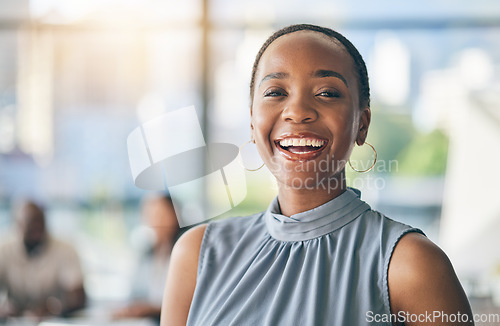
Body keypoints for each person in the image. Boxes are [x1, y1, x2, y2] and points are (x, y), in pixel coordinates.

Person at [161, 24, 474, 325]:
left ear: (361, 124)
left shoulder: (411, 265)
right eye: (275, 92)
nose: (297, 111)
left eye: (326, 92)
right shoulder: (198, 254)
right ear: (253, 124)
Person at [0, 200, 86, 320]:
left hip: (54, 320)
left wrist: (55, 307)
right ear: (18, 225)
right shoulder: (4, 250)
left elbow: (78, 296)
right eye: (31, 225)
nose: (37, 229)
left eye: (40, 223)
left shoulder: (65, 249)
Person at [113, 194, 180, 323]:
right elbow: (134, 293)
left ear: (175, 216)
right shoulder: (146, 253)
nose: (156, 221)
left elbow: (186, 302)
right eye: (151, 216)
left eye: (161, 215)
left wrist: (152, 309)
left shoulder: (183, 251)